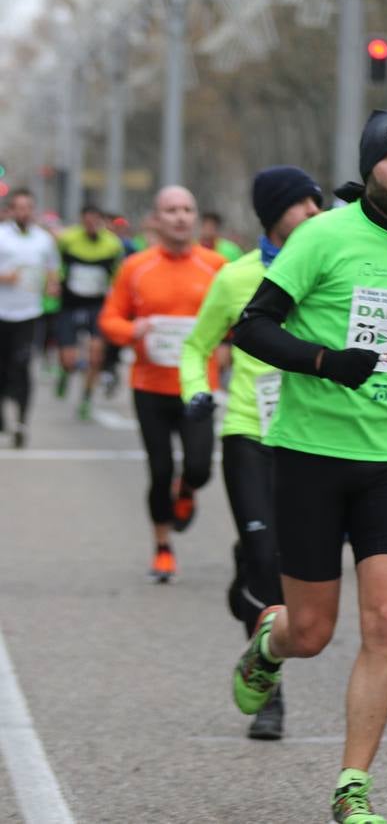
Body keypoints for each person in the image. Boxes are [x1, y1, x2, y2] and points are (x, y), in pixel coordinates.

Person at [227, 110, 387, 824]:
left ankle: (352, 785)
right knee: (311, 632)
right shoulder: (322, 237)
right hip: (308, 454)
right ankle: (266, 647)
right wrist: (326, 363)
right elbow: (252, 327)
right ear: (371, 168)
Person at [180, 166, 323, 741]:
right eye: (303, 204)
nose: (315, 212)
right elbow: (197, 345)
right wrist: (197, 389)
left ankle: (248, 572)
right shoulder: (235, 278)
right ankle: (271, 692)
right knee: (267, 556)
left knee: (280, 559)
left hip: (311, 435)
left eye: (319, 203)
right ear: (273, 214)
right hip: (248, 430)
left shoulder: (327, 269)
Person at [99, 185, 226, 581]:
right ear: (155, 219)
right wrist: (135, 329)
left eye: (187, 209)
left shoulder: (216, 266)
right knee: (158, 470)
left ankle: (187, 490)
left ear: (196, 217)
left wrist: (226, 343)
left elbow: (238, 316)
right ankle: (163, 546)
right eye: (171, 210)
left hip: (197, 387)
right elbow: (110, 320)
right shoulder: (136, 267)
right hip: (150, 386)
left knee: (201, 467)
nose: (180, 217)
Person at [0, 188, 60, 447]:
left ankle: (22, 422)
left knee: (22, 368)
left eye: (28, 207)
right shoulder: (1, 236)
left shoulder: (43, 240)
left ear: (32, 210)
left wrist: (52, 284)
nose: (23, 212)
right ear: (11, 210)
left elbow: (53, 269)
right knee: (2, 370)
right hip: (2, 313)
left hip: (29, 314)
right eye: (19, 207)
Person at [55, 205, 124, 419]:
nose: (92, 224)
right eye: (88, 220)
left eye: (96, 220)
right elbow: (55, 266)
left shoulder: (112, 244)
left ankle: (86, 398)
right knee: (69, 359)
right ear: (82, 220)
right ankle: (65, 372)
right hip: (70, 304)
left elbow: (118, 276)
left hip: (97, 305)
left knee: (95, 355)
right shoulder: (67, 239)